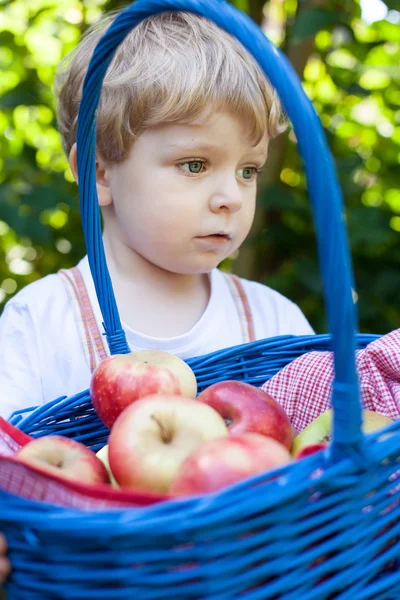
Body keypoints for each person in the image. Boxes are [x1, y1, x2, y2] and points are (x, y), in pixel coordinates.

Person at [0, 10, 314, 424]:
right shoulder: (41, 324)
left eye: (247, 171)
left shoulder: (276, 323)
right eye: (195, 165)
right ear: (100, 173)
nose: (232, 198)